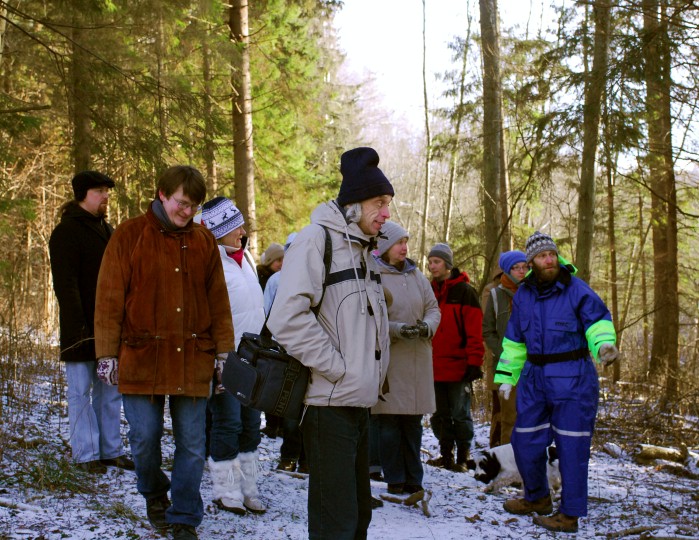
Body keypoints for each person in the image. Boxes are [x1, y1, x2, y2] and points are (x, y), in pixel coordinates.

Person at [94, 165, 235, 540]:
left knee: (192, 444)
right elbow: (108, 299)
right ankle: (155, 494)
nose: (187, 212)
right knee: (144, 439)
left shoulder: (204, 241)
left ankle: (184, 515)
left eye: (194, 206)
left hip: (193, 357)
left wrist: (225, 355)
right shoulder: (129, 235)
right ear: (162, 194)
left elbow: (219, 303)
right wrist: (106, 354)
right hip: (142, 356)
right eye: (181, 203)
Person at [267, 146, 393, 540]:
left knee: (357, 519)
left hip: (359, 403)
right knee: (335, 523)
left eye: (388, 203)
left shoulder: (363, 249)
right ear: (355, 203)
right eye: (379, 202)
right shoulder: (315, 240)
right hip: (328, 404)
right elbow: (286, 318)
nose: (387, 213)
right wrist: (337, 368)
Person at [495, 231, 619, 534]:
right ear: (531, 262)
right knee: (524, 440)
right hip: (534, 379)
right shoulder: (523, 295)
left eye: (552, 254)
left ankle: (569, 515)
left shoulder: (576, 290)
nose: (549, 260)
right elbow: (514, 342)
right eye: (542, 256)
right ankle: (537, 498)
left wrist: (603, 345)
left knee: (572, 448)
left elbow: (597, 322)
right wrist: (507, 377)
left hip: (573, 379)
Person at [48, 171, 134, 475]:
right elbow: (66, 286)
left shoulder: (107, 230)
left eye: (107, 191)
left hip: (109, 326)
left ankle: (110, 450)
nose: (106, 196)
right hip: (80, 327)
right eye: (100, 191)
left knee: (110, 390)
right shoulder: (66, 232)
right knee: (80, 392)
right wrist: (79, 329)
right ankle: (86, 453)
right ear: (83, 194)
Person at [199, 196, 267, 515]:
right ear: (219, 231)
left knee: (252, 423)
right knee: (228, 422)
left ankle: (249, 488)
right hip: (226, 358)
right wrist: (216, 358)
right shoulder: (211, 263)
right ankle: (226, 490)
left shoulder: (246, 259)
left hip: (253, 357)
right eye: (235, 227)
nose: (242, 232)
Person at [371, 222, 441, 496]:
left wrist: (427, 326)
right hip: (391, 358)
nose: (404, 248)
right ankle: (395, 478)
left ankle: (414, 478)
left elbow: (433, 308)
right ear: (385, 246)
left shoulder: (416, 276)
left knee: (413, 423)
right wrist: (397, 329)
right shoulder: (374, 275)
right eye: (399, 242)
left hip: (417, 359)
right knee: (389, 424)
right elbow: (372, 317)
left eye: (406, 242)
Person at [426, 243, 484, 472]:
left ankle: (463, 456)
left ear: (448, 265)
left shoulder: (465, 292)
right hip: (433, 365)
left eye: (437, 262)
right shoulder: (427, 291)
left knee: (460, 414)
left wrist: (474, 361)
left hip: (459, 365)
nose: (432, 266)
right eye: (430, 262)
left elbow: (474, 330)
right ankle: (446, 455)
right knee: (439, 414)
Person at [482, 250, 528, 448]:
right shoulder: (495, 294)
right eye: (516, 268)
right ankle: (508, 459)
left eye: (525, 267)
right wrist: (502, 352)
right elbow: (488, 330)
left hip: (534, 363)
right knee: (508, 417)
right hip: (507, 364)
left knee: (533, 416)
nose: (521, 271)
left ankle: (531, 459)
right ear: (507, 271)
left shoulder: (534, 292)